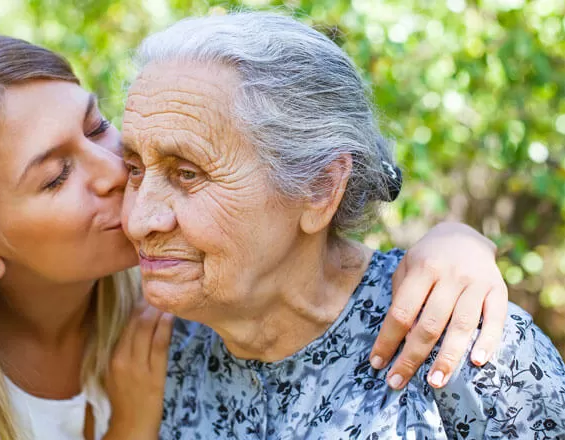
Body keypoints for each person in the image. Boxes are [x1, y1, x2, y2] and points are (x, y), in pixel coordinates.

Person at [0, 35, 508, 440]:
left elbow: (298, 228)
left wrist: (456, 242)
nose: (117, 174)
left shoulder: (180, 287)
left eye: (94, 128)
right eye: (56, 176)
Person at [121, 12, 565, 439]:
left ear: (319, 188)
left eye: (188, 174)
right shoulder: (152, 350)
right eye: (135, 169)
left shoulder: (467, 343)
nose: (140, 219)